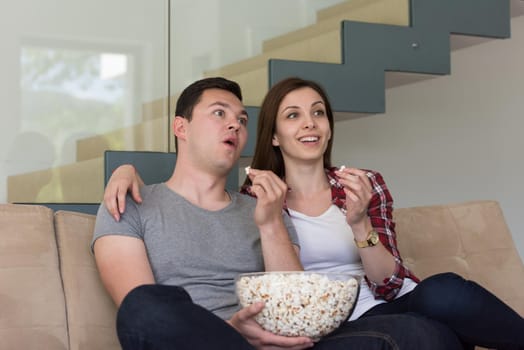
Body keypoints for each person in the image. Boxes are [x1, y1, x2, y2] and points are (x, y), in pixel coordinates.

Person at [100, 77, 487, 350]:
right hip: (203, 340)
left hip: (282, 344)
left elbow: (294, 302)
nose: (235, 122)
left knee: (421, 331)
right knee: (145, 307)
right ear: (180, 127)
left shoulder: (267, 206)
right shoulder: (132, 203)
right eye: (219, 113)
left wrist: (269, 224)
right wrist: (232, 330)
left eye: (241, 119)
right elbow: (139, 308)